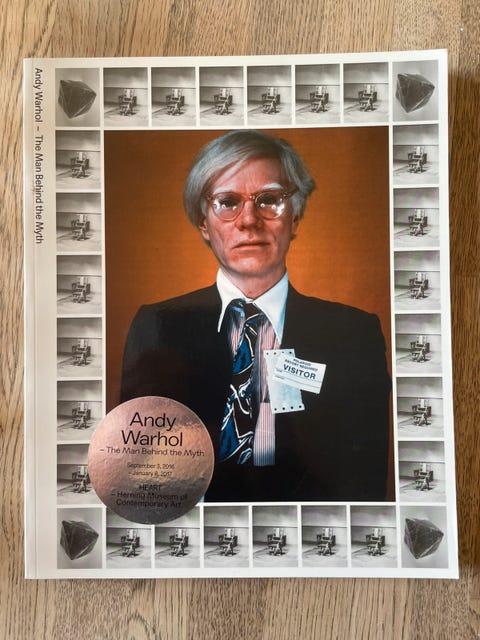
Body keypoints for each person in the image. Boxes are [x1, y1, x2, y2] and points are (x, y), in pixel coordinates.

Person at [121, 130, 391, 502]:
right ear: (203, 223)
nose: (249, 220)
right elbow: (140, 480)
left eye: (269, 200)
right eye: (227, 202)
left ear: (295, 217)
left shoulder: (354, 334)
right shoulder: (157, 326)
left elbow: (366, 487)